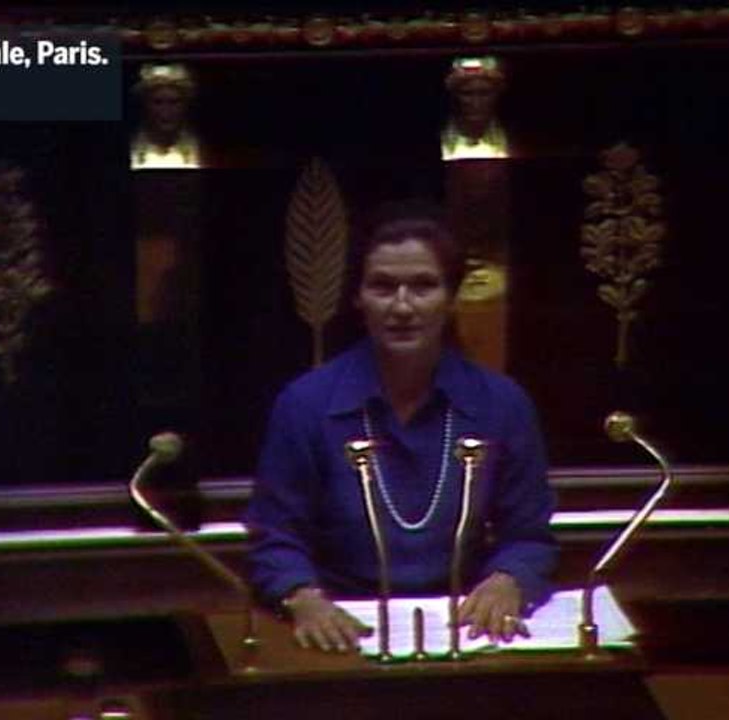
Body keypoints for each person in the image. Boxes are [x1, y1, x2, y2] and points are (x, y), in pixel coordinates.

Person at [244, 202, 557, 653]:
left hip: (464, 624)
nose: (403, 306)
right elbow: (275, 536)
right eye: (383, 287)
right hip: (342, 623)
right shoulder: (306, 404)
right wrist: (303, 597)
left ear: (451, 299)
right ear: (358, 298)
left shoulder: (501, 403)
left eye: (424, 287)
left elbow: (528, 535)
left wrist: (508, 579)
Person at [129, 63, 202, 169]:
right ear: (145, 104)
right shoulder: (128, 148)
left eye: (174, 102)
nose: (166, 111)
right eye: (158, 102)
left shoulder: (203, 150)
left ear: (186, 104)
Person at [441, 56, 510, 161]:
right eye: (467, 94)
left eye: (484, 93)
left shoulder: (516, 141)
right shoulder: (436, 140)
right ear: (454, 95)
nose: (476, 103)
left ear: (497, 94)